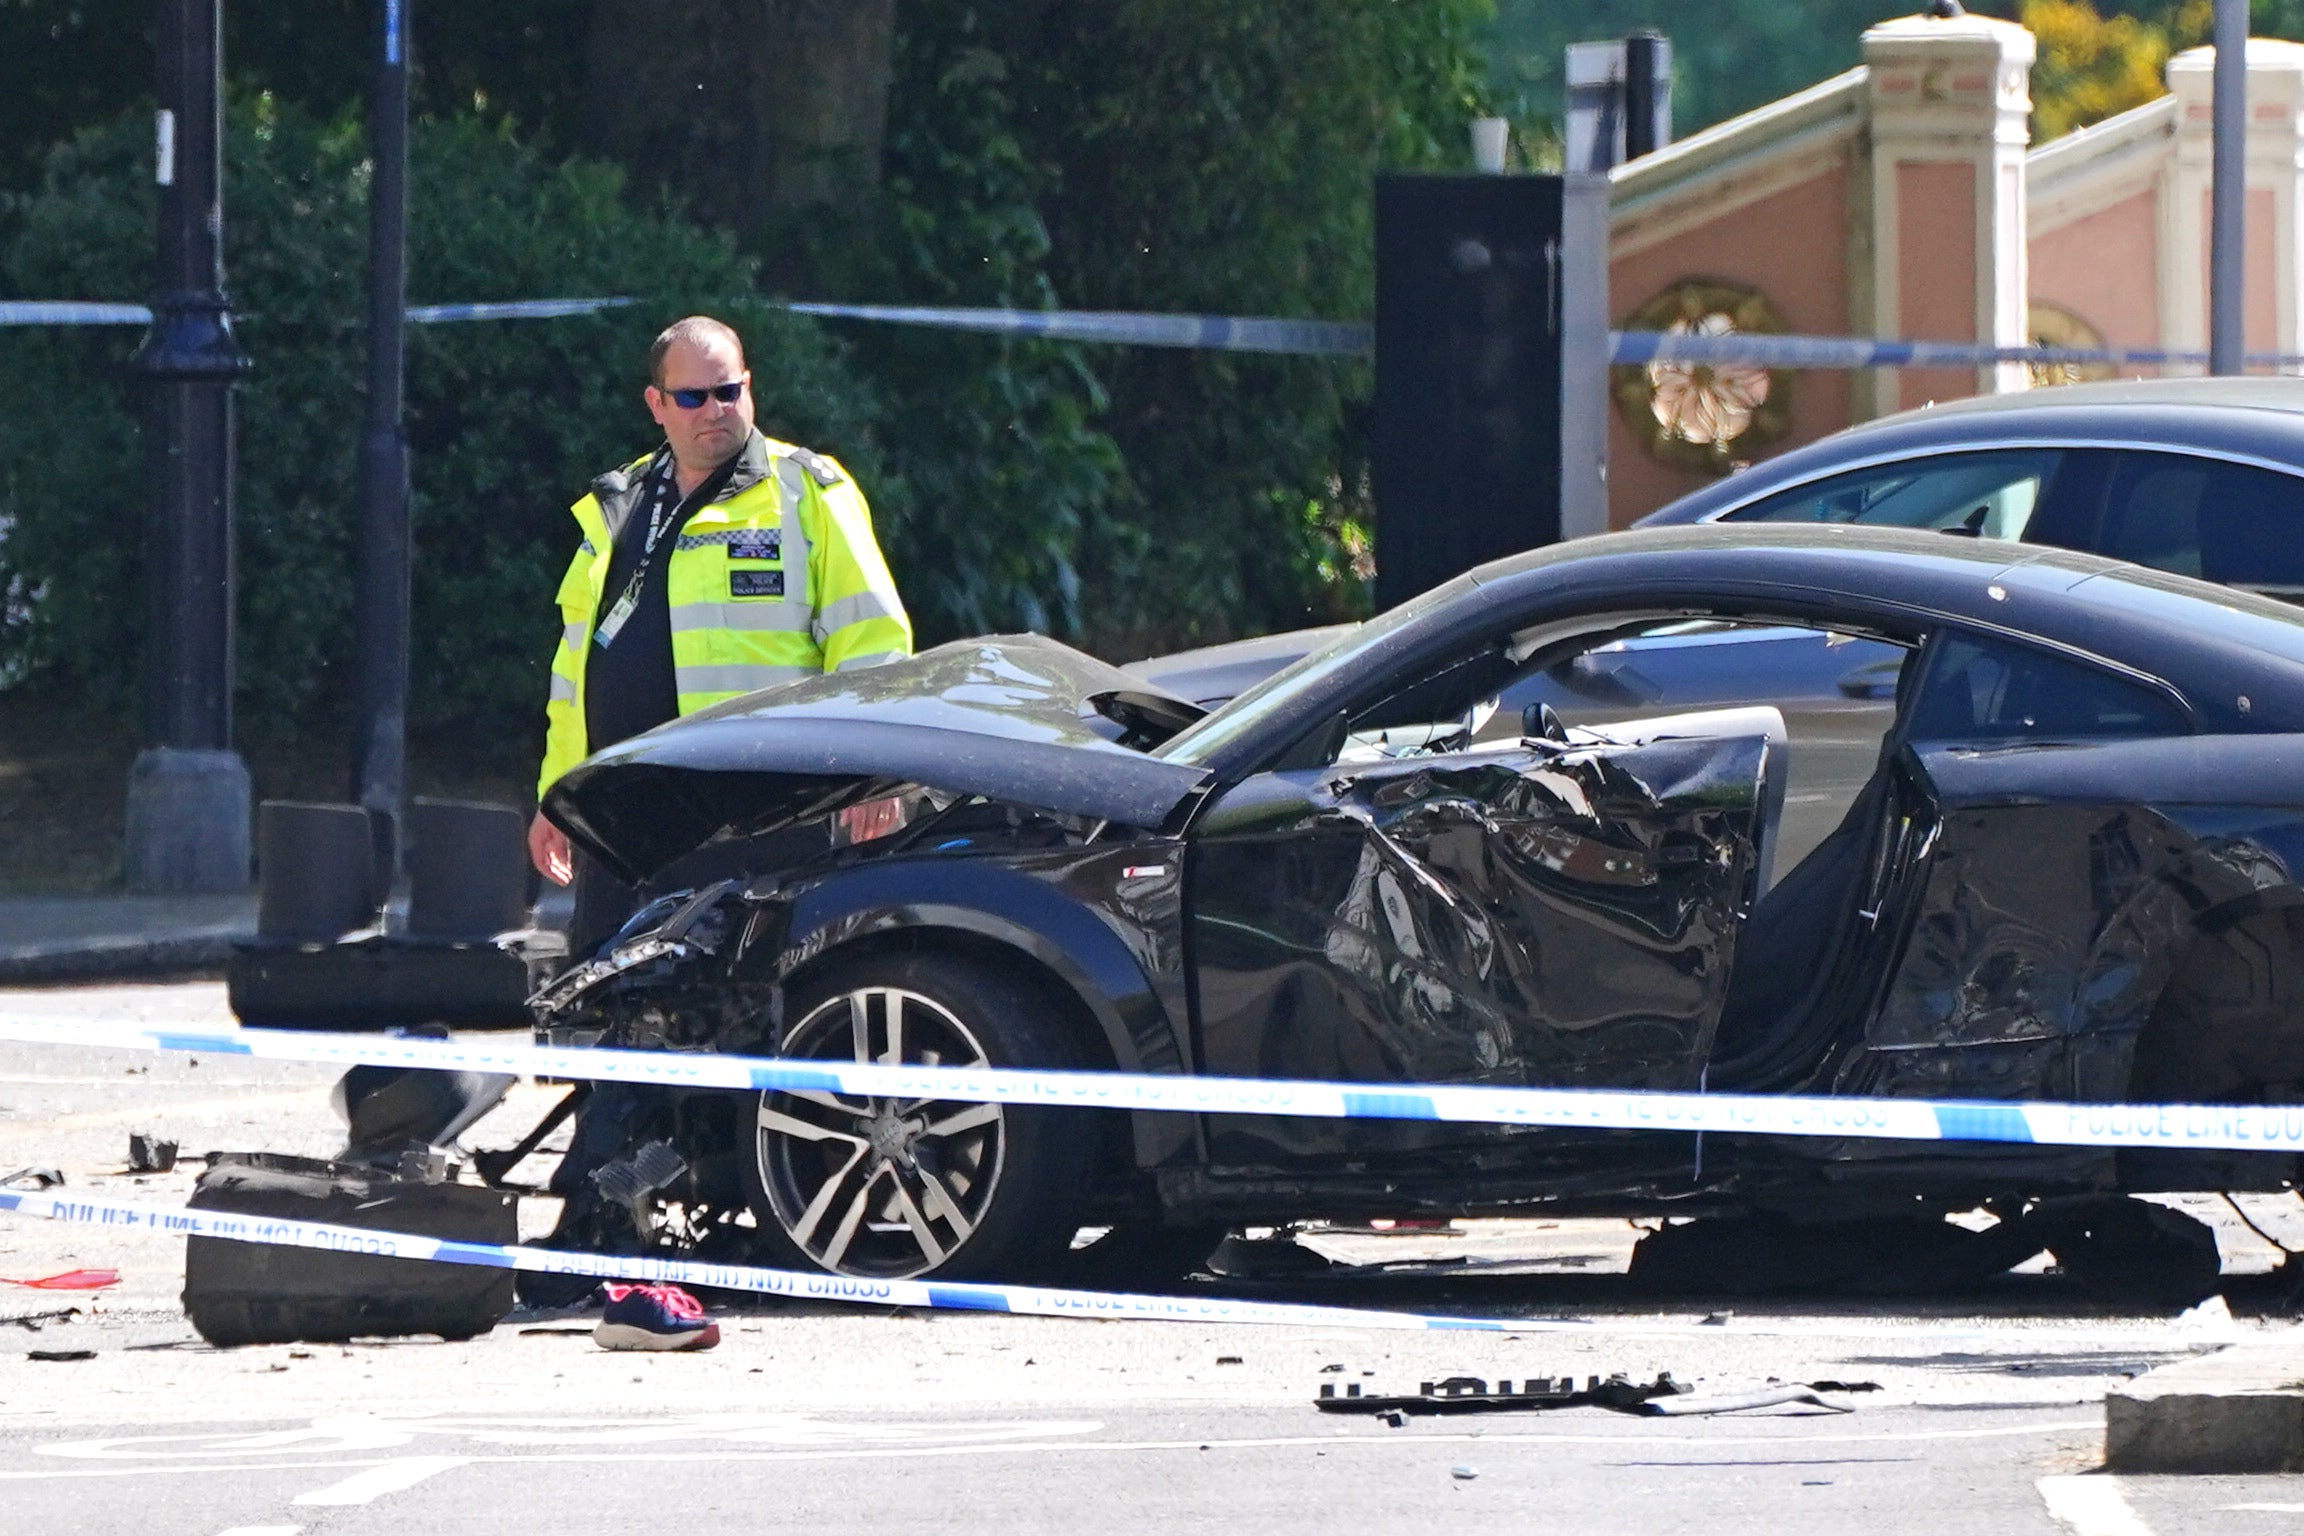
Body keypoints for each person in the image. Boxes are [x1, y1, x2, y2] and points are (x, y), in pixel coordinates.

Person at [527, 314, 912, 949]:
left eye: (729, 391)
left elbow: (870, 640)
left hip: (763, 809)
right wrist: (557, 795)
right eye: (693, 397)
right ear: (657, 404)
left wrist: (876, 773)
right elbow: (574, 673)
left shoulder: (808, 490)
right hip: (626, 812)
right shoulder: (619, 504)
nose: (716, 410)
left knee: (747, 993)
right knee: (607, 985)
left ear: (749, 388)